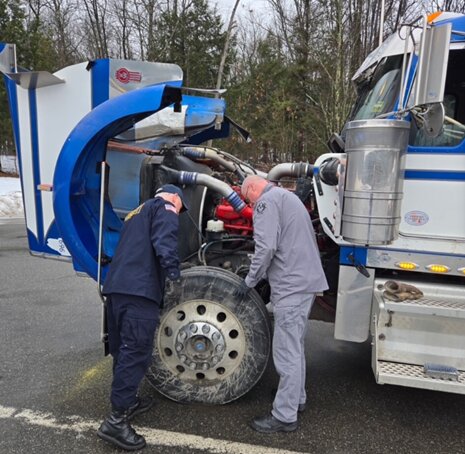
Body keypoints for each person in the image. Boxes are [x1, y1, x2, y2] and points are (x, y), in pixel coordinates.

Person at [97, 184, 188, 451]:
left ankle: (128, 402)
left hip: (117, 290)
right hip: (140, 292)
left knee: (123, 352)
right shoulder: (165, 206)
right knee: (135, 353)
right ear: (175, 197)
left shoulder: (135, 213)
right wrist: (174, 275)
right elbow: (165, 240)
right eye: (181, 207)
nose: (178, 212)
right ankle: (116, 421)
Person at [236, 175, 328, 434]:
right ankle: (296, 398)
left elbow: (266, 247)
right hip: (305, 283)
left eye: (248, 200)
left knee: (286, 353)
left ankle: (284, 416)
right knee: (295, 347)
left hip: (290, 285)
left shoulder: (266, 202)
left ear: (252, 188)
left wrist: (250, 280)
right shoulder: (287, 197)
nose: (250, 205)